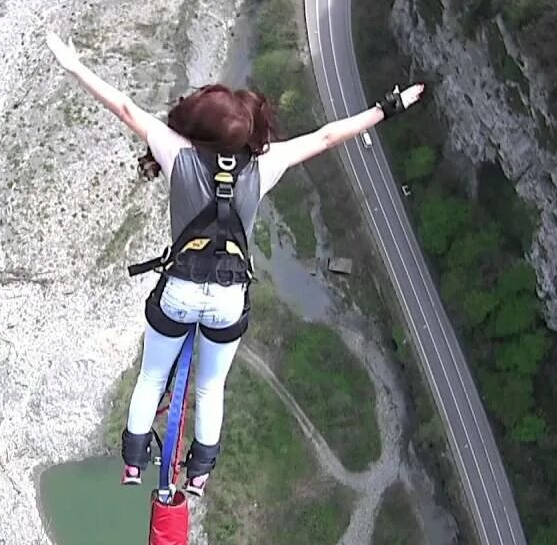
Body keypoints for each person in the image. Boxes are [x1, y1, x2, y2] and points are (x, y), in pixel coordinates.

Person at [45, 30, 424, 497]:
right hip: (227, 299)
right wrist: (392, 106)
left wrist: (73, 65)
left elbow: (124, 106)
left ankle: (132, 462)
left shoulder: (178, 154)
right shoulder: (266, 165)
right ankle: (200, 472)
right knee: (209, 388)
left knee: (151, 376)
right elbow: (328, 136)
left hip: (179, 289)